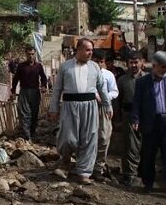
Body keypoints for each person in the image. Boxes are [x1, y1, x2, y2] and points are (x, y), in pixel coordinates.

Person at [49, 38, 112, 185]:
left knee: (89, 139)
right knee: (67, 138)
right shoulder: (65, 67)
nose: (90, 53)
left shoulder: (95, 67)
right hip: (70, 106)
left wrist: (107, 105)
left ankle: (83, 172)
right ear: (78, 50)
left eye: (91, 50)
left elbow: (102, 88)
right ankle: (65, 160)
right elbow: (57, 89)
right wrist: (54, 108)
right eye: (87, 50)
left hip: (89, 106)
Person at [131, 51, 166, 195]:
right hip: (151, 124)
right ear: (154, 66)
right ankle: (148, 183)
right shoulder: (142, 82)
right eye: (162, 67)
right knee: (149, 155)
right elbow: (137, 103)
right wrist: (136, 119)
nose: (165, 70)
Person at [117, 51, 145, 186]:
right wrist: (117, 119)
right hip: (128, 114)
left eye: (136, 62)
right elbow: (118, 100)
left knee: (145, 144)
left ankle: (144, 172)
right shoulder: (122, 80)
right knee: (129, 145)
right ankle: (129, 174)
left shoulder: (148, 78)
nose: (134, 65)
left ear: (142, 62)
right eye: (131, 62)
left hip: (145, 115)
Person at [92, 49, 119, 181]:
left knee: (103, 137)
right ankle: (86, 167)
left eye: (101, 62)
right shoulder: (85, 73)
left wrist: (104, 97)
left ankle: (98, 168)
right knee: (86, 137)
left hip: (103, 108)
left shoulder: (108, 75)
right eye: (96, 61)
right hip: (88, 107)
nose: (99, 64)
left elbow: (115, 92)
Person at [11, 46, 47, 141]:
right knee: (24, 113)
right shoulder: (21, 66)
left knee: (34, 113)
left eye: (32, 54)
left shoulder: (38, 66)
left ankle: (32, 133)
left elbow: (43, 77)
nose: (30, 56)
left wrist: (44, 86)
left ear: (35, 54)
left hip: (35, 92)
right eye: (28, 54)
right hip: (24, 91)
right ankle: (27, 135)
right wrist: (13, 91)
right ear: (26, 54)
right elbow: (15, 79)